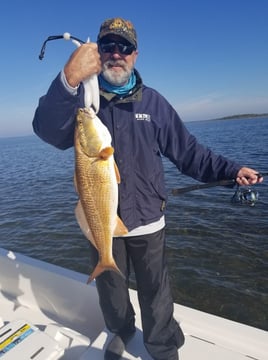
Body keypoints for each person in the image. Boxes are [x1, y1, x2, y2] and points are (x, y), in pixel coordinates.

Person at [32, 17, 263, 360]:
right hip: (101, 221)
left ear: (135, 54)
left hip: (149, 220)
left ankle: (162, 345)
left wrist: (232, 170)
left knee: (156, 291)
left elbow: (190, 153)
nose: (116, 54)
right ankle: (121, 331)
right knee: (110, 290)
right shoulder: (83, 102)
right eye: (107, 46)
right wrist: (68, 79)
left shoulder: (154, 104)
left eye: (124, 47)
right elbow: (48, 130)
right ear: (97, 52)